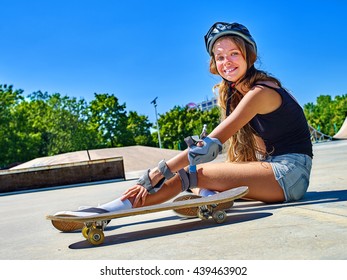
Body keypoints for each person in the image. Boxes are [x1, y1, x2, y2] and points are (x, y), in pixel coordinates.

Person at [53, 22, 313, 232]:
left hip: (289, 174)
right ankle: (210, 196)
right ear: (214, 63)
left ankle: (112, 209)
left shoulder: (259, 92)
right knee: (190, 175)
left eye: (234, 54)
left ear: (249, 56)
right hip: (278, 174)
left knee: (190, 173)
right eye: (220, 57)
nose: (227, 62)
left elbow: (208, 148)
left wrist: (156, 173)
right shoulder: (236, 95)